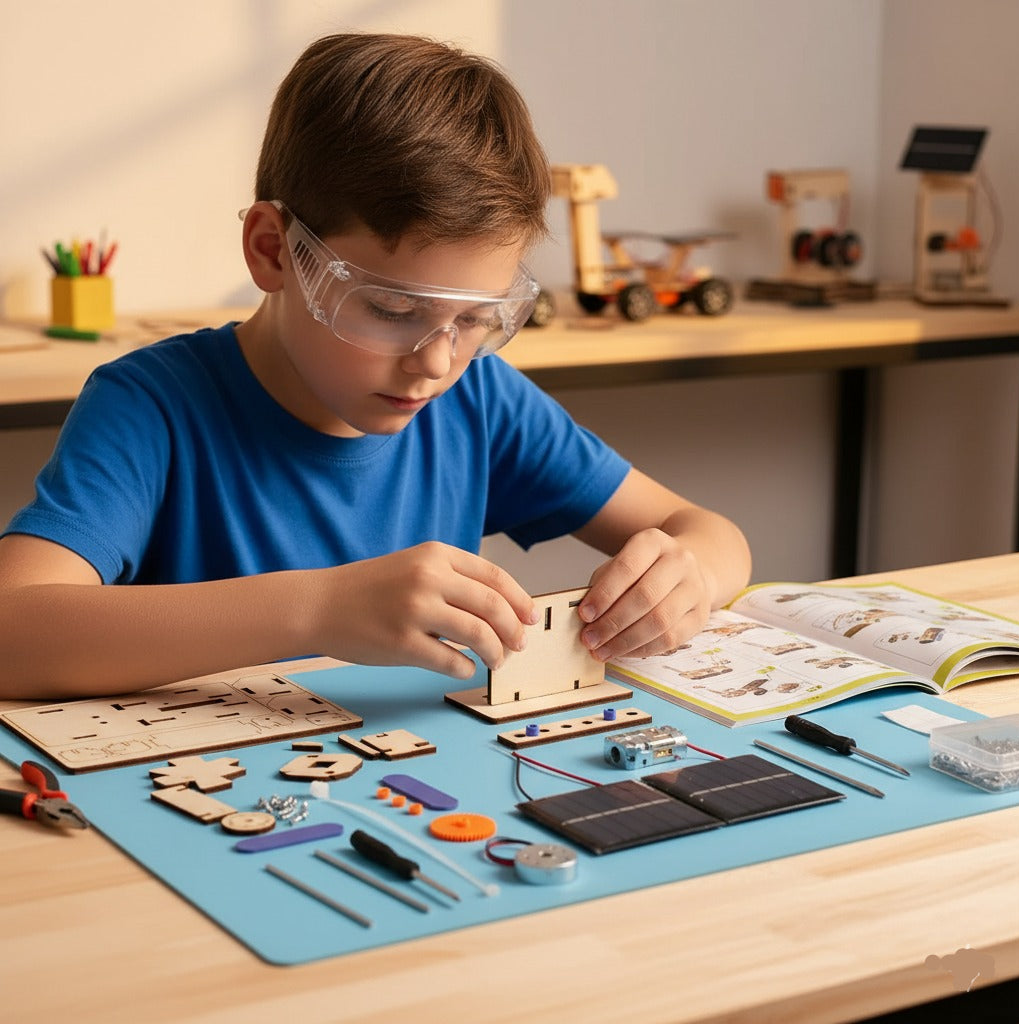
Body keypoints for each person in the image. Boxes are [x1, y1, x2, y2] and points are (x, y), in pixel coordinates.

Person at [0, 33, 750, 700]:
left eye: (477, 318)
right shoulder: (153, 406)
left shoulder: (478, 399)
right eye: (393, 310)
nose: (435, 360)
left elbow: (711, 534)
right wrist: (319, 610)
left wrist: (688, 577)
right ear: (273, 251)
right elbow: (12, 627)